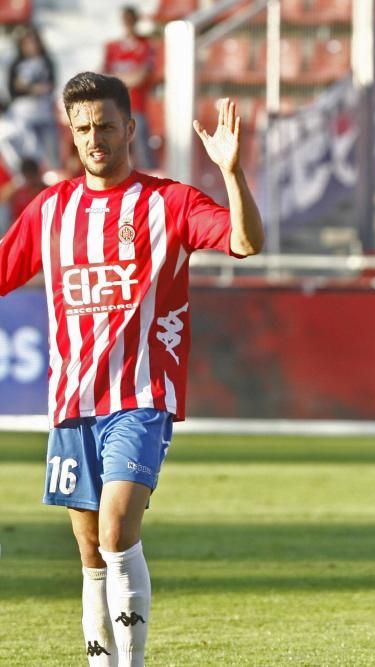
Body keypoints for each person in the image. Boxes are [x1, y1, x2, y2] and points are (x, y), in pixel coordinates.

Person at [0, 72, 263, 666]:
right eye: (84, 128)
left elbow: (246, 241)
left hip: (140, 394)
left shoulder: (168, 203)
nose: (96, 139)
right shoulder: (51, 210)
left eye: (106, 127)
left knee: (118, 530)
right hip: (72, 401)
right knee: (91, 548)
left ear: (130, 129)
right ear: (71, 132)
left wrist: (230, 172)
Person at [103, 5, 157, 170]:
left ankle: (151, 179)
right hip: (115, 106)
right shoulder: (112, 47)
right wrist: (127, 78)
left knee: (141, 141)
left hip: (136, 106)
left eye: (130, 20)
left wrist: (117, 78)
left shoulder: (146, 45)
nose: (127, 24)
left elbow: (140, 77)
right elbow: (104, 75)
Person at [7, 25, 60, 169]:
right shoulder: (16, 64)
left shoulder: (46, 61)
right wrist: (33, 89)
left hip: (44, 111)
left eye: (34, 41)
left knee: (51, 150)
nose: (31, 46)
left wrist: (29, 87)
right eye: (27, 42)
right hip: (24, 113)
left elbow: (51, 85)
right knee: (30, 149)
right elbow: (13, 90)